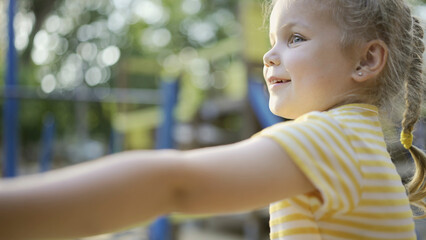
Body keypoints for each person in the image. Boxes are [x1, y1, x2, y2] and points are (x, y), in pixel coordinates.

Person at [1, 0, 426, 239]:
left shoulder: (332, 138)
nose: (269, 55)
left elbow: (176, 185)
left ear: (367, 59)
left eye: (295, 38)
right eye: (273, 39)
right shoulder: (359, 139)